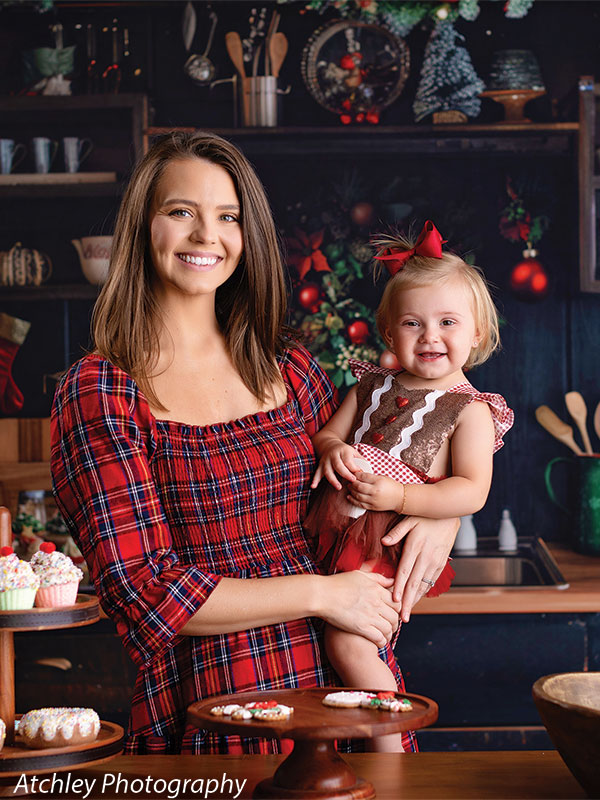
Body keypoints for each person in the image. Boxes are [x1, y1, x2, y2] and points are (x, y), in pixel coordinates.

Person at [50, 132, 458, 755]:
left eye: (228, 217)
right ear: (141, 228)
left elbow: (394, 459)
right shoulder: (103, 390)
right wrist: (324, 594)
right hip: (213, 712)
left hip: (345, 699)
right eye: (180, 211)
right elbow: (143, 589)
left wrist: (445, 516)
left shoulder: (289, 370)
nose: (206, 235)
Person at [305, 221, 514, 751]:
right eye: (413, 323)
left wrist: (400, 497)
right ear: (389, 333)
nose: (430, 337)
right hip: (332, 530)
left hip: (392, 542)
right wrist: (333, 449)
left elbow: (471, 490)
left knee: (349, 644)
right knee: (315, 635)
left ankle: (392, 754)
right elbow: (329, 431)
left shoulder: (469, 410)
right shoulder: (371, 385)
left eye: (448, 322)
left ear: (478, 335)